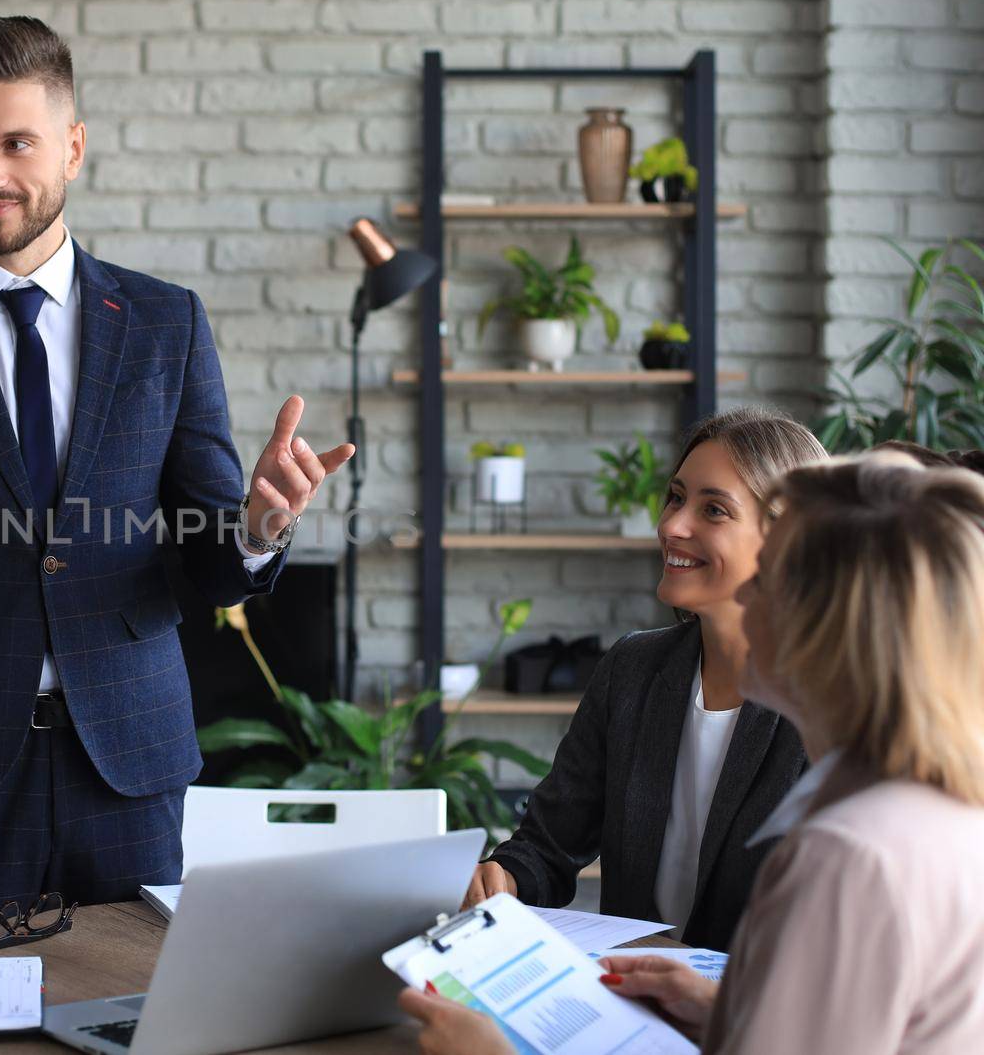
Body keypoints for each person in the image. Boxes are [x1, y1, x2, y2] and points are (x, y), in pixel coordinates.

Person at [0, 15, 354, 952]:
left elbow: (210, 556)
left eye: (16, 143)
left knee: (143, 1022)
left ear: (72, 144)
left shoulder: (164, 322)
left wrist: (257, 529)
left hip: (131, 762)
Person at [404, 451, 984, 1053]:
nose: (747, 601)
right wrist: (732, 1014)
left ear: (826, 624)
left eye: (768, 577)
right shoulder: (942, 813)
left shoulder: (847, 856)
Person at [462, 408, 826, 951]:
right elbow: (549, 844)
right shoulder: (633, 669)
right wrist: (503, 879)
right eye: (676, 498)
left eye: (714, 510)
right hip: (632, 1011)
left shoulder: (832, 702)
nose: (672, 526)